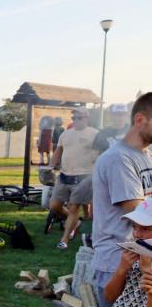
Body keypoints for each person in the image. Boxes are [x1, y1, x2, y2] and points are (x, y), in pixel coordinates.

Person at [56, 94, 152, 307]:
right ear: (140, 119)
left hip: (136, 258)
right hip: (118, 261)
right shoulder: (118, 159)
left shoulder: (144, 156)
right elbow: (137, 211)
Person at [49, 107, 97, 249]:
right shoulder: (65, 134)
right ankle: (76, 223)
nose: (76, 120)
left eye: (79, 118)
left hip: (84, 178)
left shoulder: (95, 134)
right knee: (54, 206)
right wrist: (50, 167)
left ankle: (64, 239)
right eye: (73, 118)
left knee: (74, 207)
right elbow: (58, 152)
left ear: (87, 118)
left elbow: (101, 154)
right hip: (64, 176)